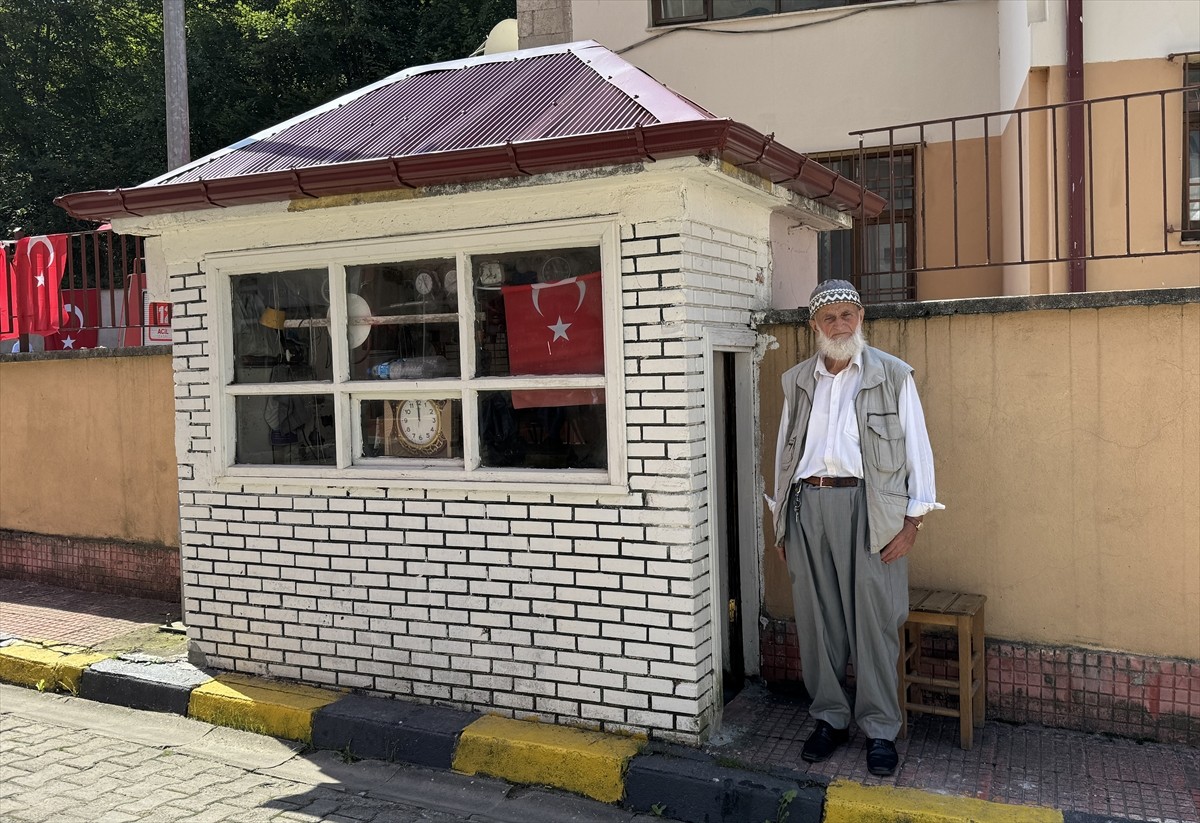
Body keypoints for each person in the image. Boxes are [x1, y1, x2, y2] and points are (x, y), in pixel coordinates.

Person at [767, 279, 943, 777]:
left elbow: (918, 450)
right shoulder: (798, 380)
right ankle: (829, 719)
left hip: (871, 510)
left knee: (875, 620)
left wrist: (914, 521)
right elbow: (785, 453)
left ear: (860, 317)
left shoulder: (891, 375)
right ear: (814, 326)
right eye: (829, 318)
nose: (840, 325)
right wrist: (782, 521)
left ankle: (880, 728)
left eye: (848, 315)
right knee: (817, 621)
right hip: (808, 506)